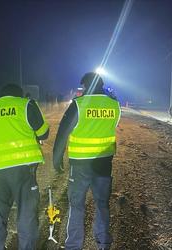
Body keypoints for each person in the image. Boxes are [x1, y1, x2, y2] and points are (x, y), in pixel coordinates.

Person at [0, 84, 49, 250]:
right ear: (19, 95)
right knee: (26, 214)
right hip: (22, 168)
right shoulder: (26, 104)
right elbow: (43, 133)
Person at [53, 72, 121, 250]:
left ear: (85, 85)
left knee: (76, 206)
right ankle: (103, 244)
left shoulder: (78, 104)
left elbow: (63, 132)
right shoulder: (114, 105)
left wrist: (57, 157)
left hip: (80, 165)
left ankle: (73, 246)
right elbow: (112, 127)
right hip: (104, 164)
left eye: (82, 86)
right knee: (102, 205)